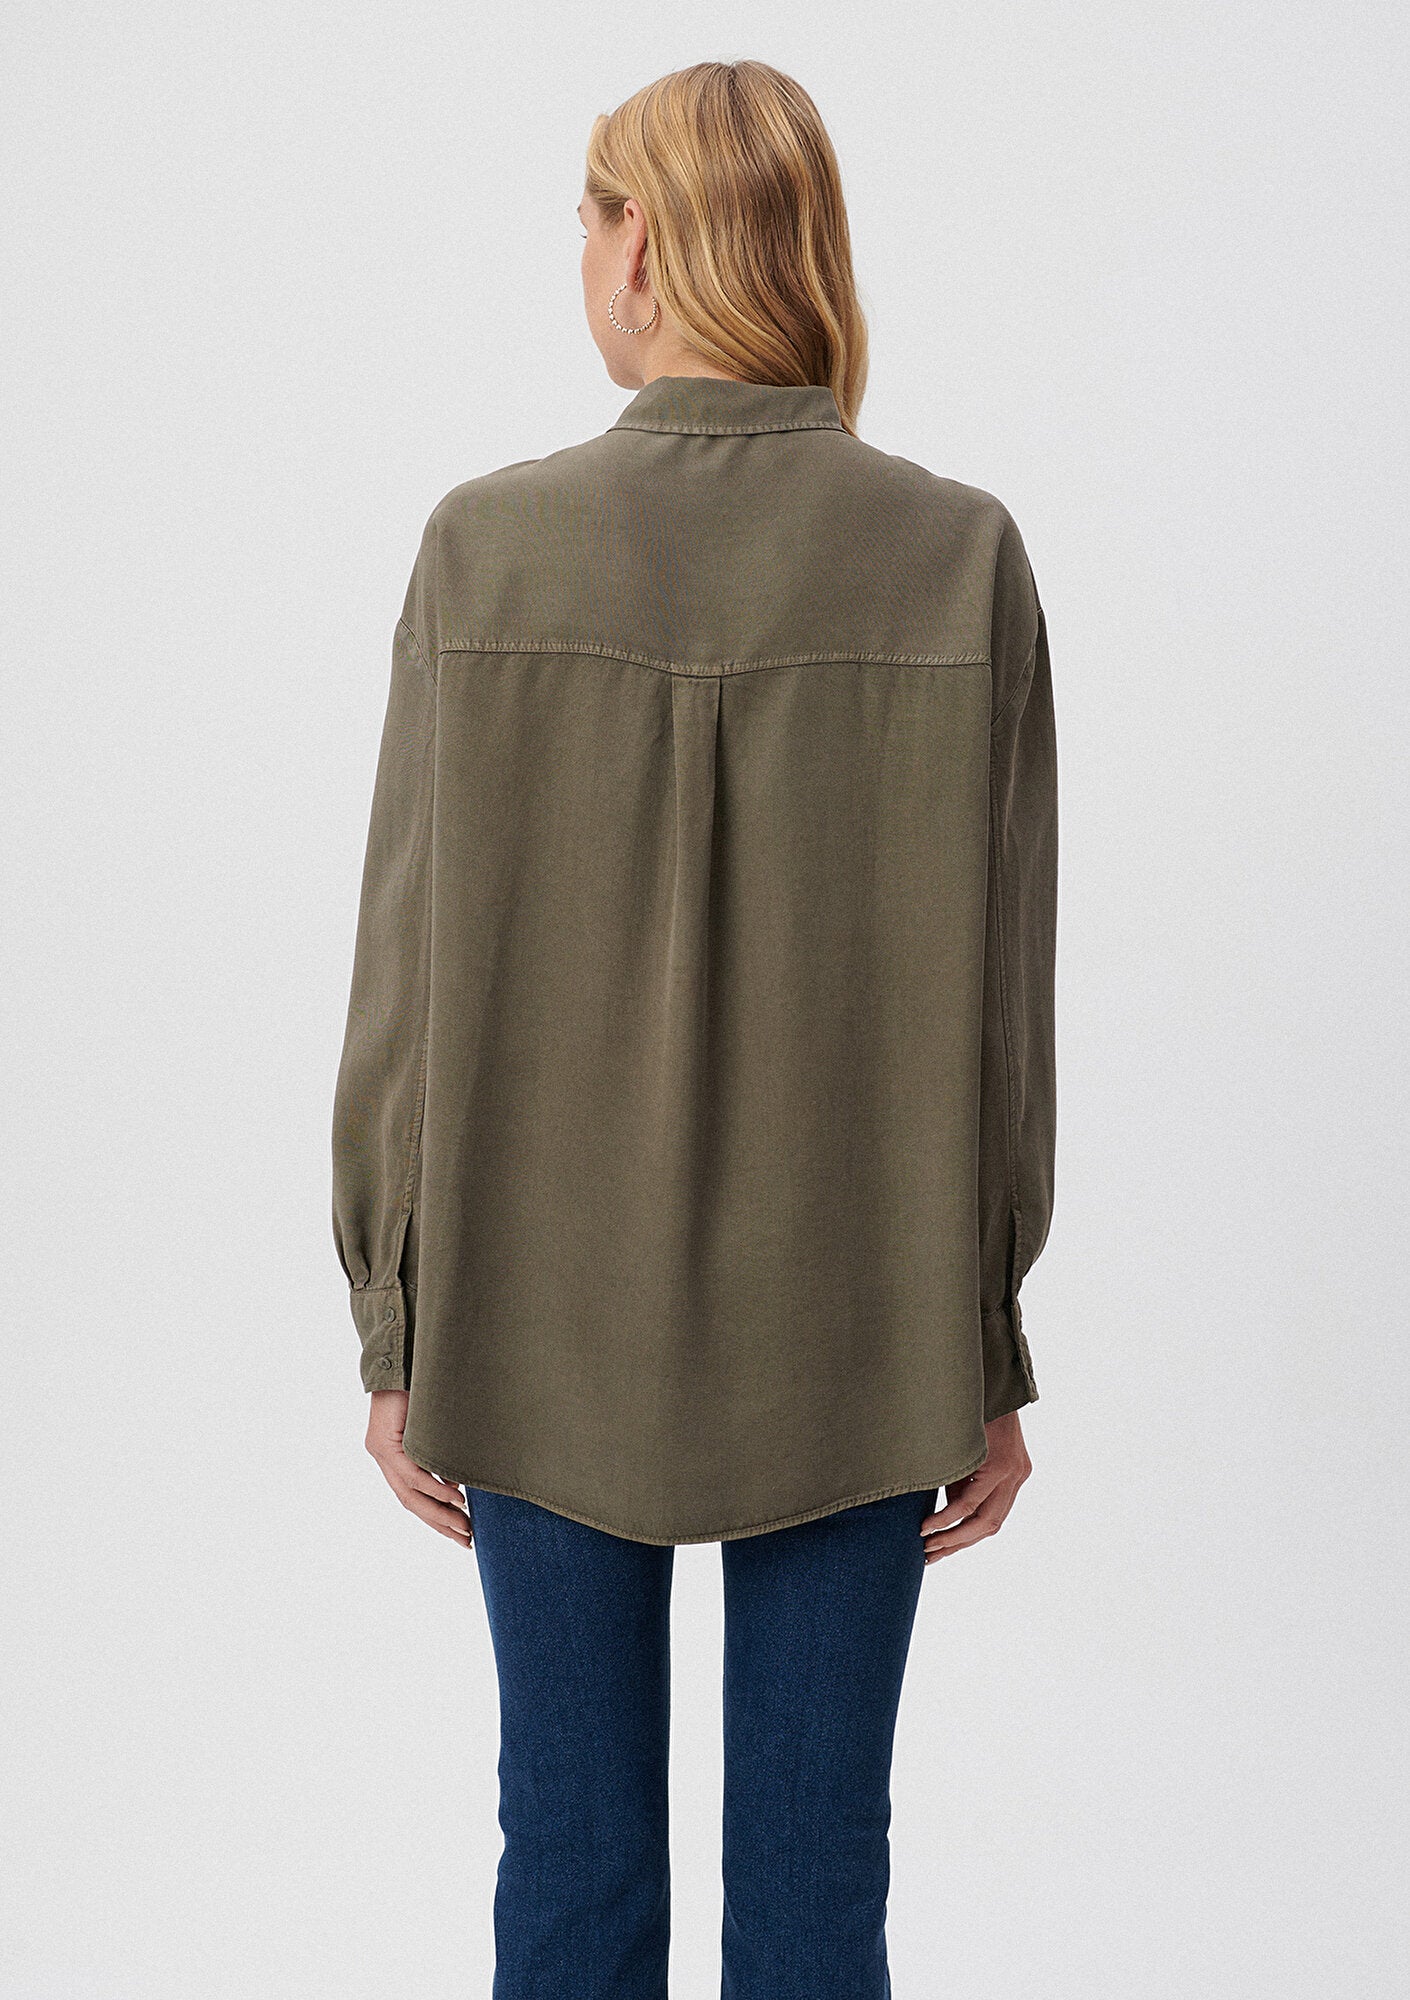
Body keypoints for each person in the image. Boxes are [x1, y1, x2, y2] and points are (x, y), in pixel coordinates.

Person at [330, 57, 1058, 2000]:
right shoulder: (956, 554)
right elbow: (1000, 1010)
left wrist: (398, 1316)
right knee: (819, 1880)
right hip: (861, 1318)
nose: (580, 255)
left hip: (534, 1311)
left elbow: (408, 976)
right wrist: (983, 1337)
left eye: (586, 216)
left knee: (569, 1865)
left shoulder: (486, 547)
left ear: (638, 241)